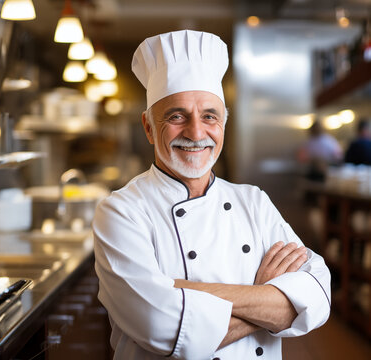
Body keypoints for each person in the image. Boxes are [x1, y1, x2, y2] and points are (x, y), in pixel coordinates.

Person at [92, 30, 331, 360]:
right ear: (148, 127)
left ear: (223, 125)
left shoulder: (254, 202)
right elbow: (161, 329)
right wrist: (268, 300)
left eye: (209, 116)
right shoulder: (121, 211)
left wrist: (184, 294)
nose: (195, 132)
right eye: (176, 116)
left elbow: (318, 295)